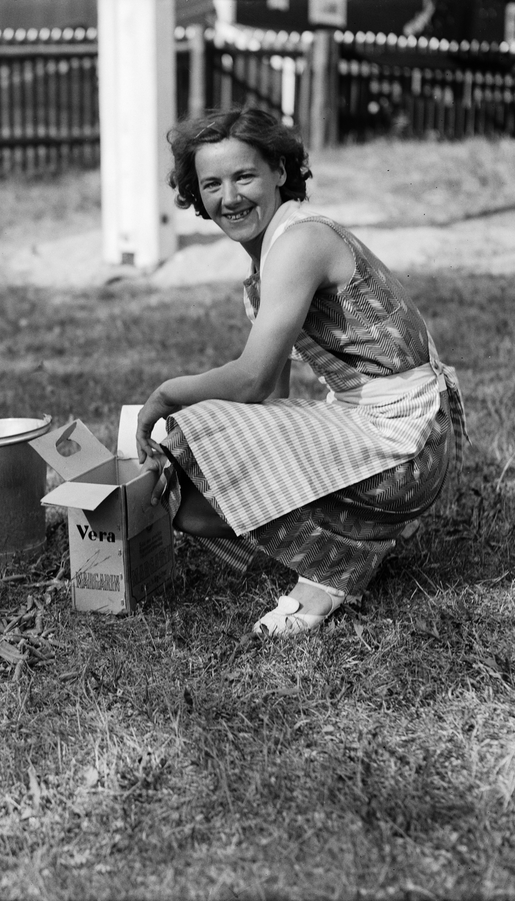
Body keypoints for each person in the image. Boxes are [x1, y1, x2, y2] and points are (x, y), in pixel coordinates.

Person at [135, 107, 467, 637]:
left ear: (280, 173)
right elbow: (270, 402)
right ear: (197, 196)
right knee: (187, 482)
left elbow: (252, 380)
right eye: (212, 184)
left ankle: (335, 566)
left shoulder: (299, 242)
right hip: (390, 434)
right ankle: (356, 535)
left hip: (410, 444)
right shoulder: (266, 264)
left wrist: (166, 397)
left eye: (245, 176)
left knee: (191, 436)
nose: (230, 198)